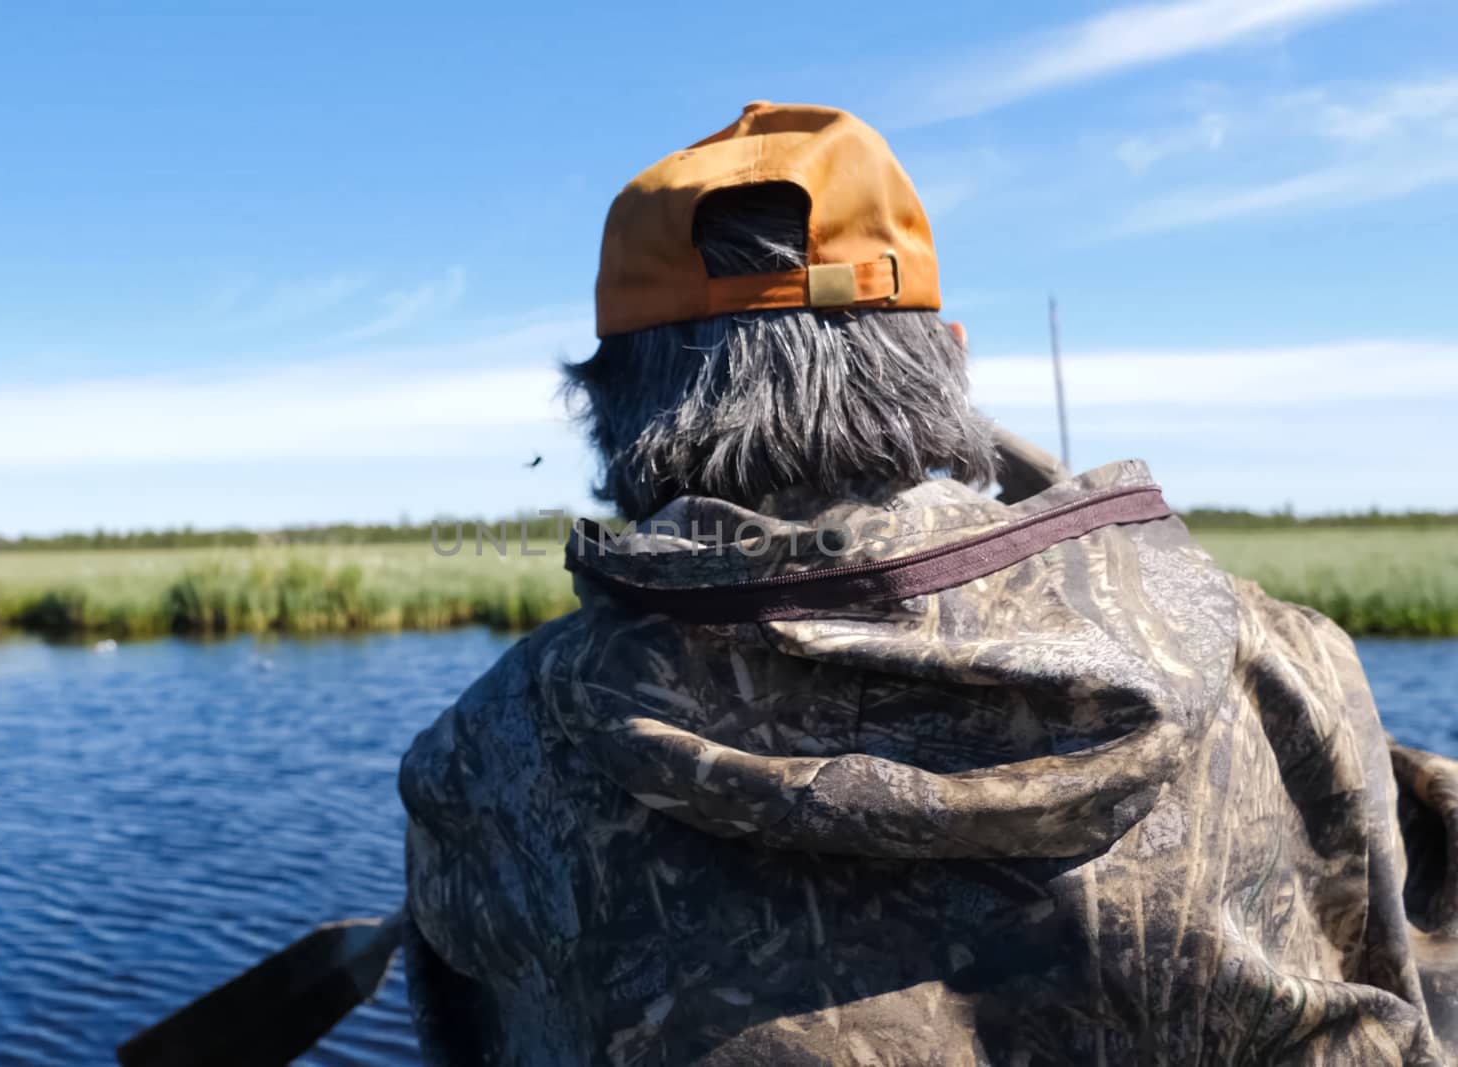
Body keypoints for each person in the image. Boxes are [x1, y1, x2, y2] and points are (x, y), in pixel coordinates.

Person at [398, 102, 1458, 1066]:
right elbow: (1389, 981)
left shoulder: (483, 754)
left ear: (602, 403)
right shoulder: (1277, 658)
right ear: (947, 356)